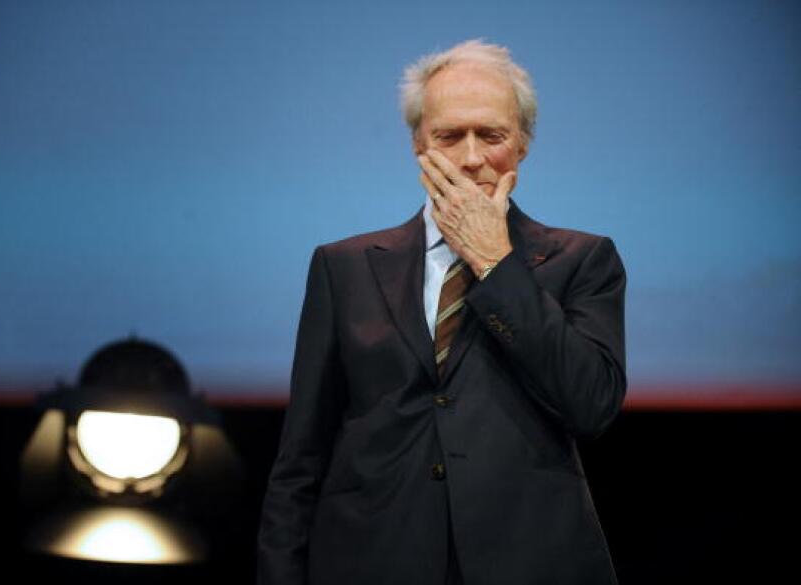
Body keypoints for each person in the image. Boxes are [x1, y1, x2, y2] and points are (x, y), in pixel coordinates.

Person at [257, 39, 626, 585]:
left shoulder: (583, 259)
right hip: (371, 559)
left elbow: (592, 404)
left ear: (522, 144)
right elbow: (300, 458)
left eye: (491, 135)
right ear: (417, 144)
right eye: (449, 136)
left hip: (529, 561)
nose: (471, 157)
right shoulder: (345, 267)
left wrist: (495, 263)